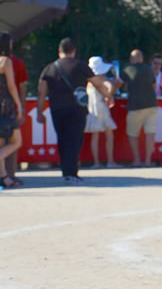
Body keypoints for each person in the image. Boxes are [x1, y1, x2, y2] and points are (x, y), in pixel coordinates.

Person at [37, 38, 113, 185]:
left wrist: (39, 112)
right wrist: (108, 96)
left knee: (62, 139)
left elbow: (41, 92)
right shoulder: (81, 66)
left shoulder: (49, 68)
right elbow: (97, 84)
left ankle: (66, 171)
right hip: (77, 109)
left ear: (59, 51)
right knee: (74, 139)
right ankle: (72, 173)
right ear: (74, 51)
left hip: (57, 109)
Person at [114, 49, 158, 167]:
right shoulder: (149, 69)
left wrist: (110, 93)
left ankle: (137, 160)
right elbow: (154, 85)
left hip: (135, 105)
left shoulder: (127, 69)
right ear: (142, 58)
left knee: (132, 134)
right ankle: (148, 161)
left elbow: (117, 84)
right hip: (152, 104)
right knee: (150, 133)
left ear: (131, 59)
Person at [0, 32, 28, 187]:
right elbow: (12, 86)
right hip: (5, 105)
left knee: (1, 143)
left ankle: (4, 177)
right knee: (16, 141)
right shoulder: (6, 61)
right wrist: (19, 106)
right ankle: (6, 176)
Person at [85, 56, 119, 168]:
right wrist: (109, 96)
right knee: (109, 135)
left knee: (95, 136)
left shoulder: (89, 81)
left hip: (92, 110)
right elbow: (111, 86)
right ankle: (110, 161)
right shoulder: (103, 79)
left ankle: (96, 163)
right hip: (102, 109)